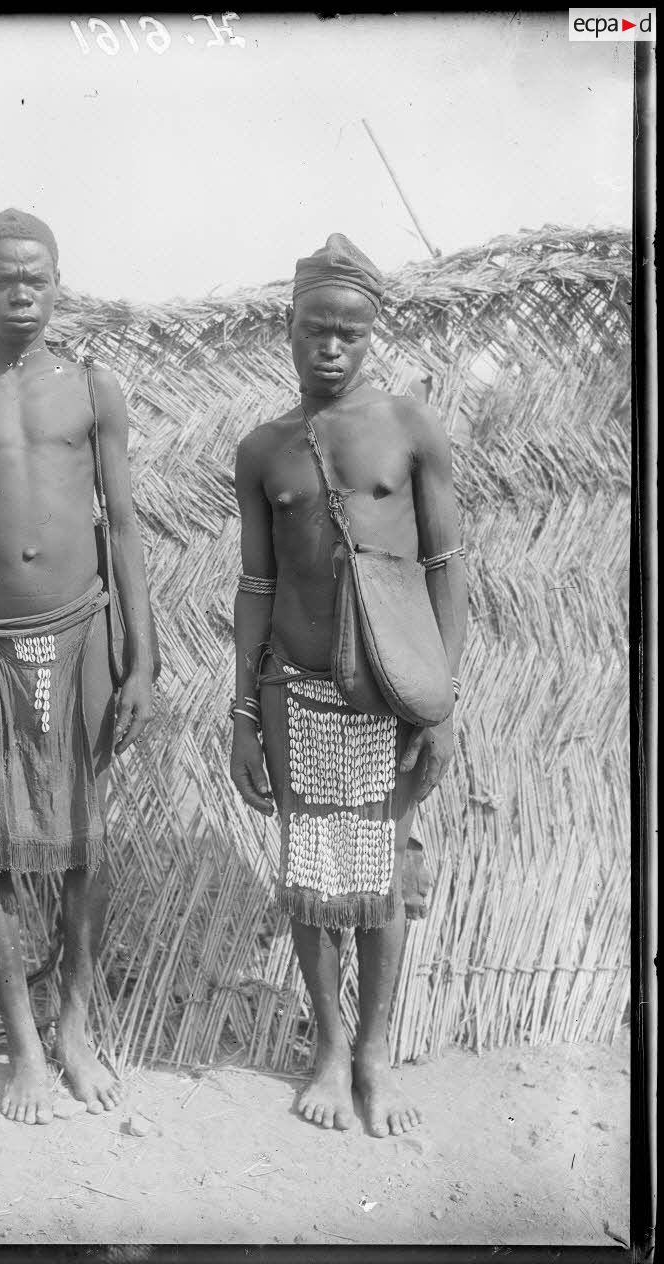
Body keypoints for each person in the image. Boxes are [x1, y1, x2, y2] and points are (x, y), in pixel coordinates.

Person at [0, 209, 156, 1125]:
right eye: (3, 275)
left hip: (84, 631)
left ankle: (75, 1030)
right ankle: (22, 1048)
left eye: (38, 275)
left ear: (59, 283)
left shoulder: (94, 389)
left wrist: (143, 662)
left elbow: (123, 527)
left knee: (83, 841)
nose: (22, 290)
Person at [230, 233, 467, 1137]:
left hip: (390, 693)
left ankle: (373, 1054)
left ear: (374, 336)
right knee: (309, 872)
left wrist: (438, 703)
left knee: (380, 876)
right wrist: (243, 715)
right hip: (295, 689)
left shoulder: (410, 428)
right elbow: (257, 587)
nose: (330, 348)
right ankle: (328, 1047)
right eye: (314, 330)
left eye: (349, 333)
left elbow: (446, 564)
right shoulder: (263, 450)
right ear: (286, 330)